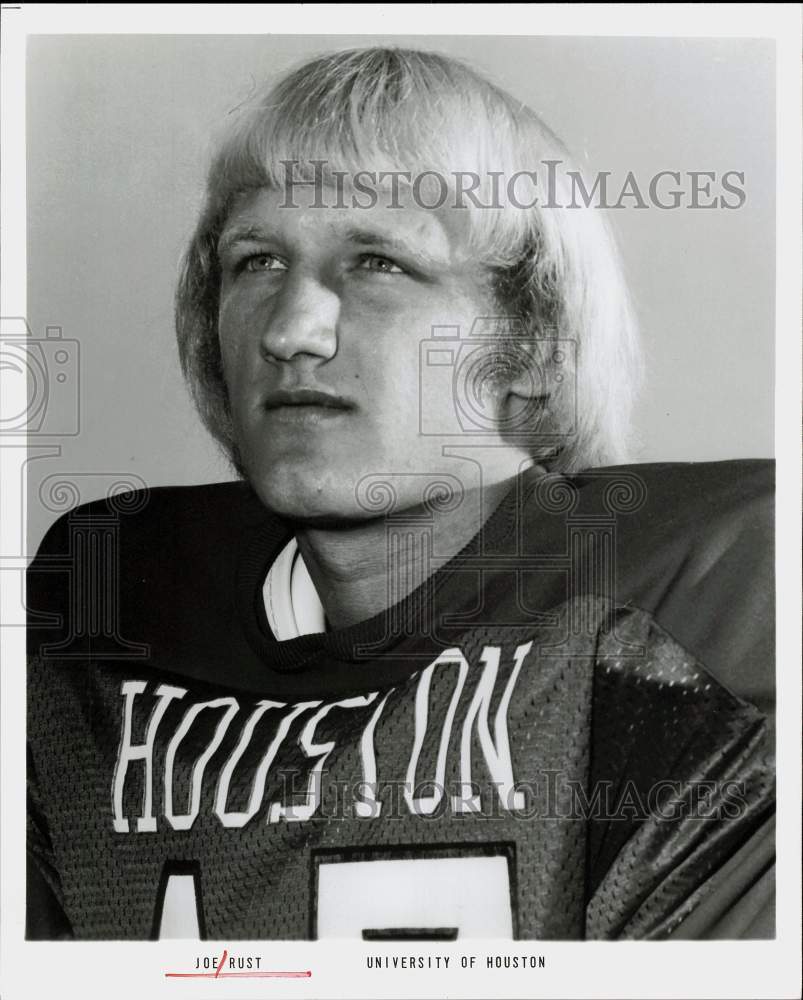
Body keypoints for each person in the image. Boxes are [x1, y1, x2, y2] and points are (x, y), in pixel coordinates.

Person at [26, 46, 774, 941]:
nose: (293, 329)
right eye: (256, 260)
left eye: (379, 262)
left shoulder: (707, 588)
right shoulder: (111, 591)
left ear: (531, 346)